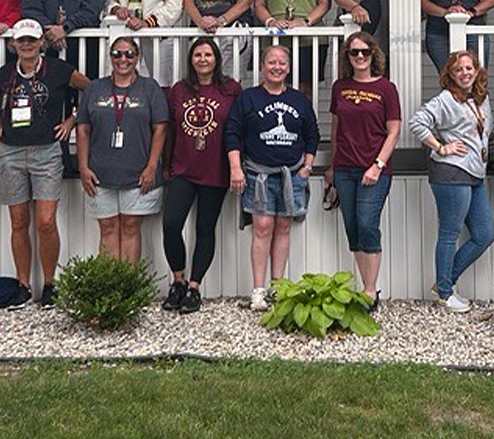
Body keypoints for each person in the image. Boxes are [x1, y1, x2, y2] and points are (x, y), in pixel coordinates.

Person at [0, 19, 91, 307]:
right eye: (21, 40)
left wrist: (72, 120)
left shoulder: (58, 70)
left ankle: (49, 284)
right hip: (10, 152)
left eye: (32, 40)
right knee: (19, 222)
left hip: (47, 152)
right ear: (13, 44)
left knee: (46, 221)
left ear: (41, 43)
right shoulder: (4, 74)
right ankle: (23, 285)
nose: (26, 45)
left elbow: (92, 90)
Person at [225, 44, 320, 311]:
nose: (276, 67)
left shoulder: (299, 100)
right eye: (271, 62)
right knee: (262, 227)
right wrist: (236, 167)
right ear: (262, 67)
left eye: (281, 63)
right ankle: (258, 290)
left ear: (288, 68)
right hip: (258, 174)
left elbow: (312, 134)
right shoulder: (249, 98)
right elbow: (232, 132)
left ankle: (279, 288)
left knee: (284, 228)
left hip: (292, 174)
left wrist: (308, 166)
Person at [162, 37, 243, 315]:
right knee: (171, 224)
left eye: (208, 54)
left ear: (217, 59)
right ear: (191, 60)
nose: (203, 59)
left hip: (215, 169)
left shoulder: (231, 90)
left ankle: (195, 288)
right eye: (198, 55)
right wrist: (166, 166)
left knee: (204, 229)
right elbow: (169, 130)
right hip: (182, 168)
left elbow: (238, 129)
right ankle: (178, 281)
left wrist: (237, 165)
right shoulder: (179, 90)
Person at [411, 50, 494, 313]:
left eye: (469, 68)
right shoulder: (445, 99)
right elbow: (417, 122)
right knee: (450, 234)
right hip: (451, 173)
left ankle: (444, 283)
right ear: (450, 74)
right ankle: (445, 294)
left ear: (477, 71)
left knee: (484, 234)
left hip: (474, 173)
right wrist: (440, 147)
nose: (465, 73)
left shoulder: (481, 99)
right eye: (459, 70)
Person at [77, 37, 169, 262]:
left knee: (130, 226)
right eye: (117, 54)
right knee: (107, 227)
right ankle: (111, 289)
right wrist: (83, 167)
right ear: (110, 57)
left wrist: (151, 167)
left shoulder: (149, 88)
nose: (123, 59)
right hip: (100, 173)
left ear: (137, 57)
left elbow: (161, 129)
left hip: (138, 173)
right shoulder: (95, 88)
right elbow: (83, 130)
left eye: (129, 54)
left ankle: (128, 287)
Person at [326, 32, 401, 304]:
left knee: (368, 225)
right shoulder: (339, 87)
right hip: (344, 168)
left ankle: (370, 291)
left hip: (374, 169)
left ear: (373, 55)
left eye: (364, 52)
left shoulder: (386, 88)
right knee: (353, 228)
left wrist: (378, 165)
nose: (359, 57)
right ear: (347, 57)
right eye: (354, 52)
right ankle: (365, 288)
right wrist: (332, 167)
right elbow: (335, 130)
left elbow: (393, 131)